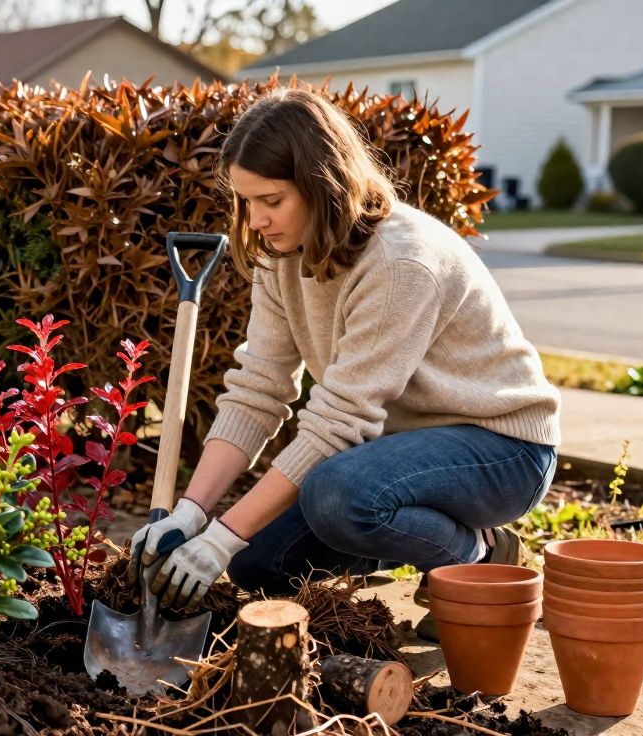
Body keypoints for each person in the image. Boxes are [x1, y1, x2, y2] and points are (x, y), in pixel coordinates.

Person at [131, 87, 561, 637]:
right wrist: (194, 513)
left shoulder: (400, 261)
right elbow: (259, 388)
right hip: (396, 452)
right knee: (258, 565)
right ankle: (412, 535)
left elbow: (337, 423)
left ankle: (476, 558)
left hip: (501, 448)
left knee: (337, 495)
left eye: (272, 199)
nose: (256, 218)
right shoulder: (280, 253)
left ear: (321, 183)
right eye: (245, 201)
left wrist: (221, 534)